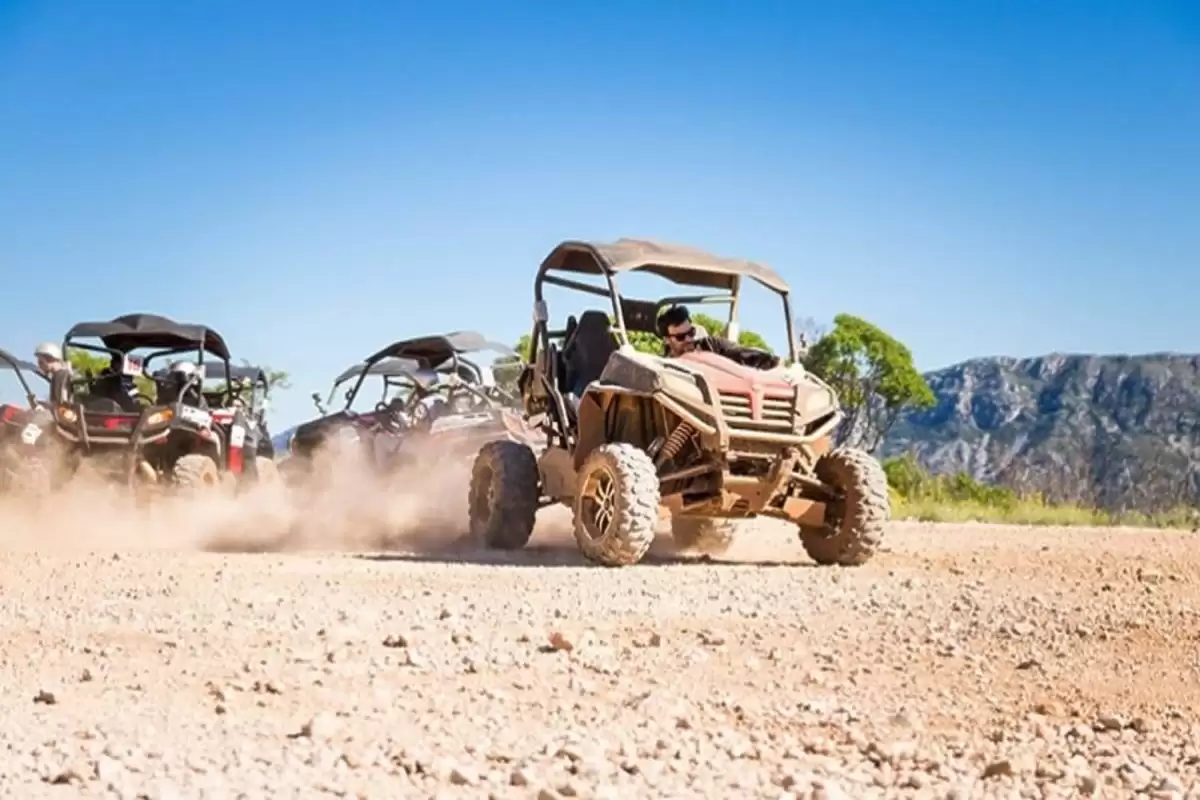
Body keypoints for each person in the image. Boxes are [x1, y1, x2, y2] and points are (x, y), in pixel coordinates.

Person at [656, 305, 781, 370]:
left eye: (691, 332)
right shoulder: (663, 367)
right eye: (681, 337)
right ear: (666, 340)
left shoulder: (711, 346)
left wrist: (771, 361)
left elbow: (740, 352)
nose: (689, 339)